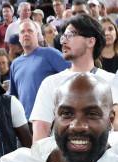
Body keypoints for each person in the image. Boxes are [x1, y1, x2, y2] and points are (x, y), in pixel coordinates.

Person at [31, 14, 117, 142]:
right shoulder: (51, 83)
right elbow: (40, 133)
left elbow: (116, 127)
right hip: (61, 159)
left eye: (70, 35)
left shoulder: (111, 81)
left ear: (90, 41)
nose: (64, 41)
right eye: (63, 37)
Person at [9, 19, 71, 121]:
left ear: (37, 35)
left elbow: (74, 73)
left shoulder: (50, 53)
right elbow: (14, 97)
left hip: (51, 120)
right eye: (22, 32)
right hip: (26, 122)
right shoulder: (15, 64)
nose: (26, 34)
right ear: (19, 38)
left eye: (30, 31)